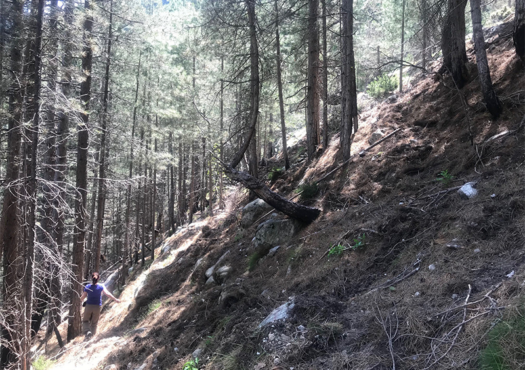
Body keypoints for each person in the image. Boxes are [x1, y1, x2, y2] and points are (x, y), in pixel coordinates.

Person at [80, 272, 121, 337]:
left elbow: (83, 296)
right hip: (97, 306)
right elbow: (108, 294)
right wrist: (115, 299)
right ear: (99, 278)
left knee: (85, 320)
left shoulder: (87, 286)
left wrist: (79, 301)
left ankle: (87, 331)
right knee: (94, 323)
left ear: (91, 278)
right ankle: (91, 337)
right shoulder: (101, 286)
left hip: (88, 306)